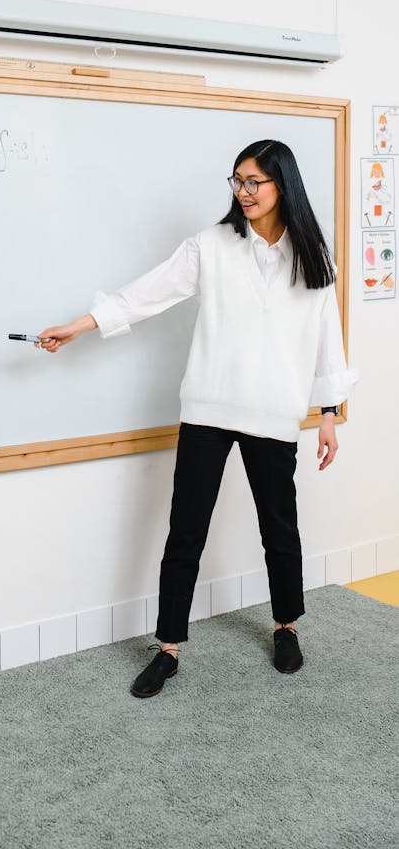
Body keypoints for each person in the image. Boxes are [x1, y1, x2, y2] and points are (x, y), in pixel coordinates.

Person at [36, 139, 357, 698]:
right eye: (237, 180)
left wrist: (329, 413)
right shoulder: (211, 246)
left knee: (280, 530)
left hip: (275, 412)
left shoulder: (314, 258)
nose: (244, 192)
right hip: (209, 407)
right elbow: (147, 294)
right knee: (186, 531)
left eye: (255, 181)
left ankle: (286, 627)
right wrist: (82, 324)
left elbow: (328, 340)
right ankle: (167, 649)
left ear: (284, 185)